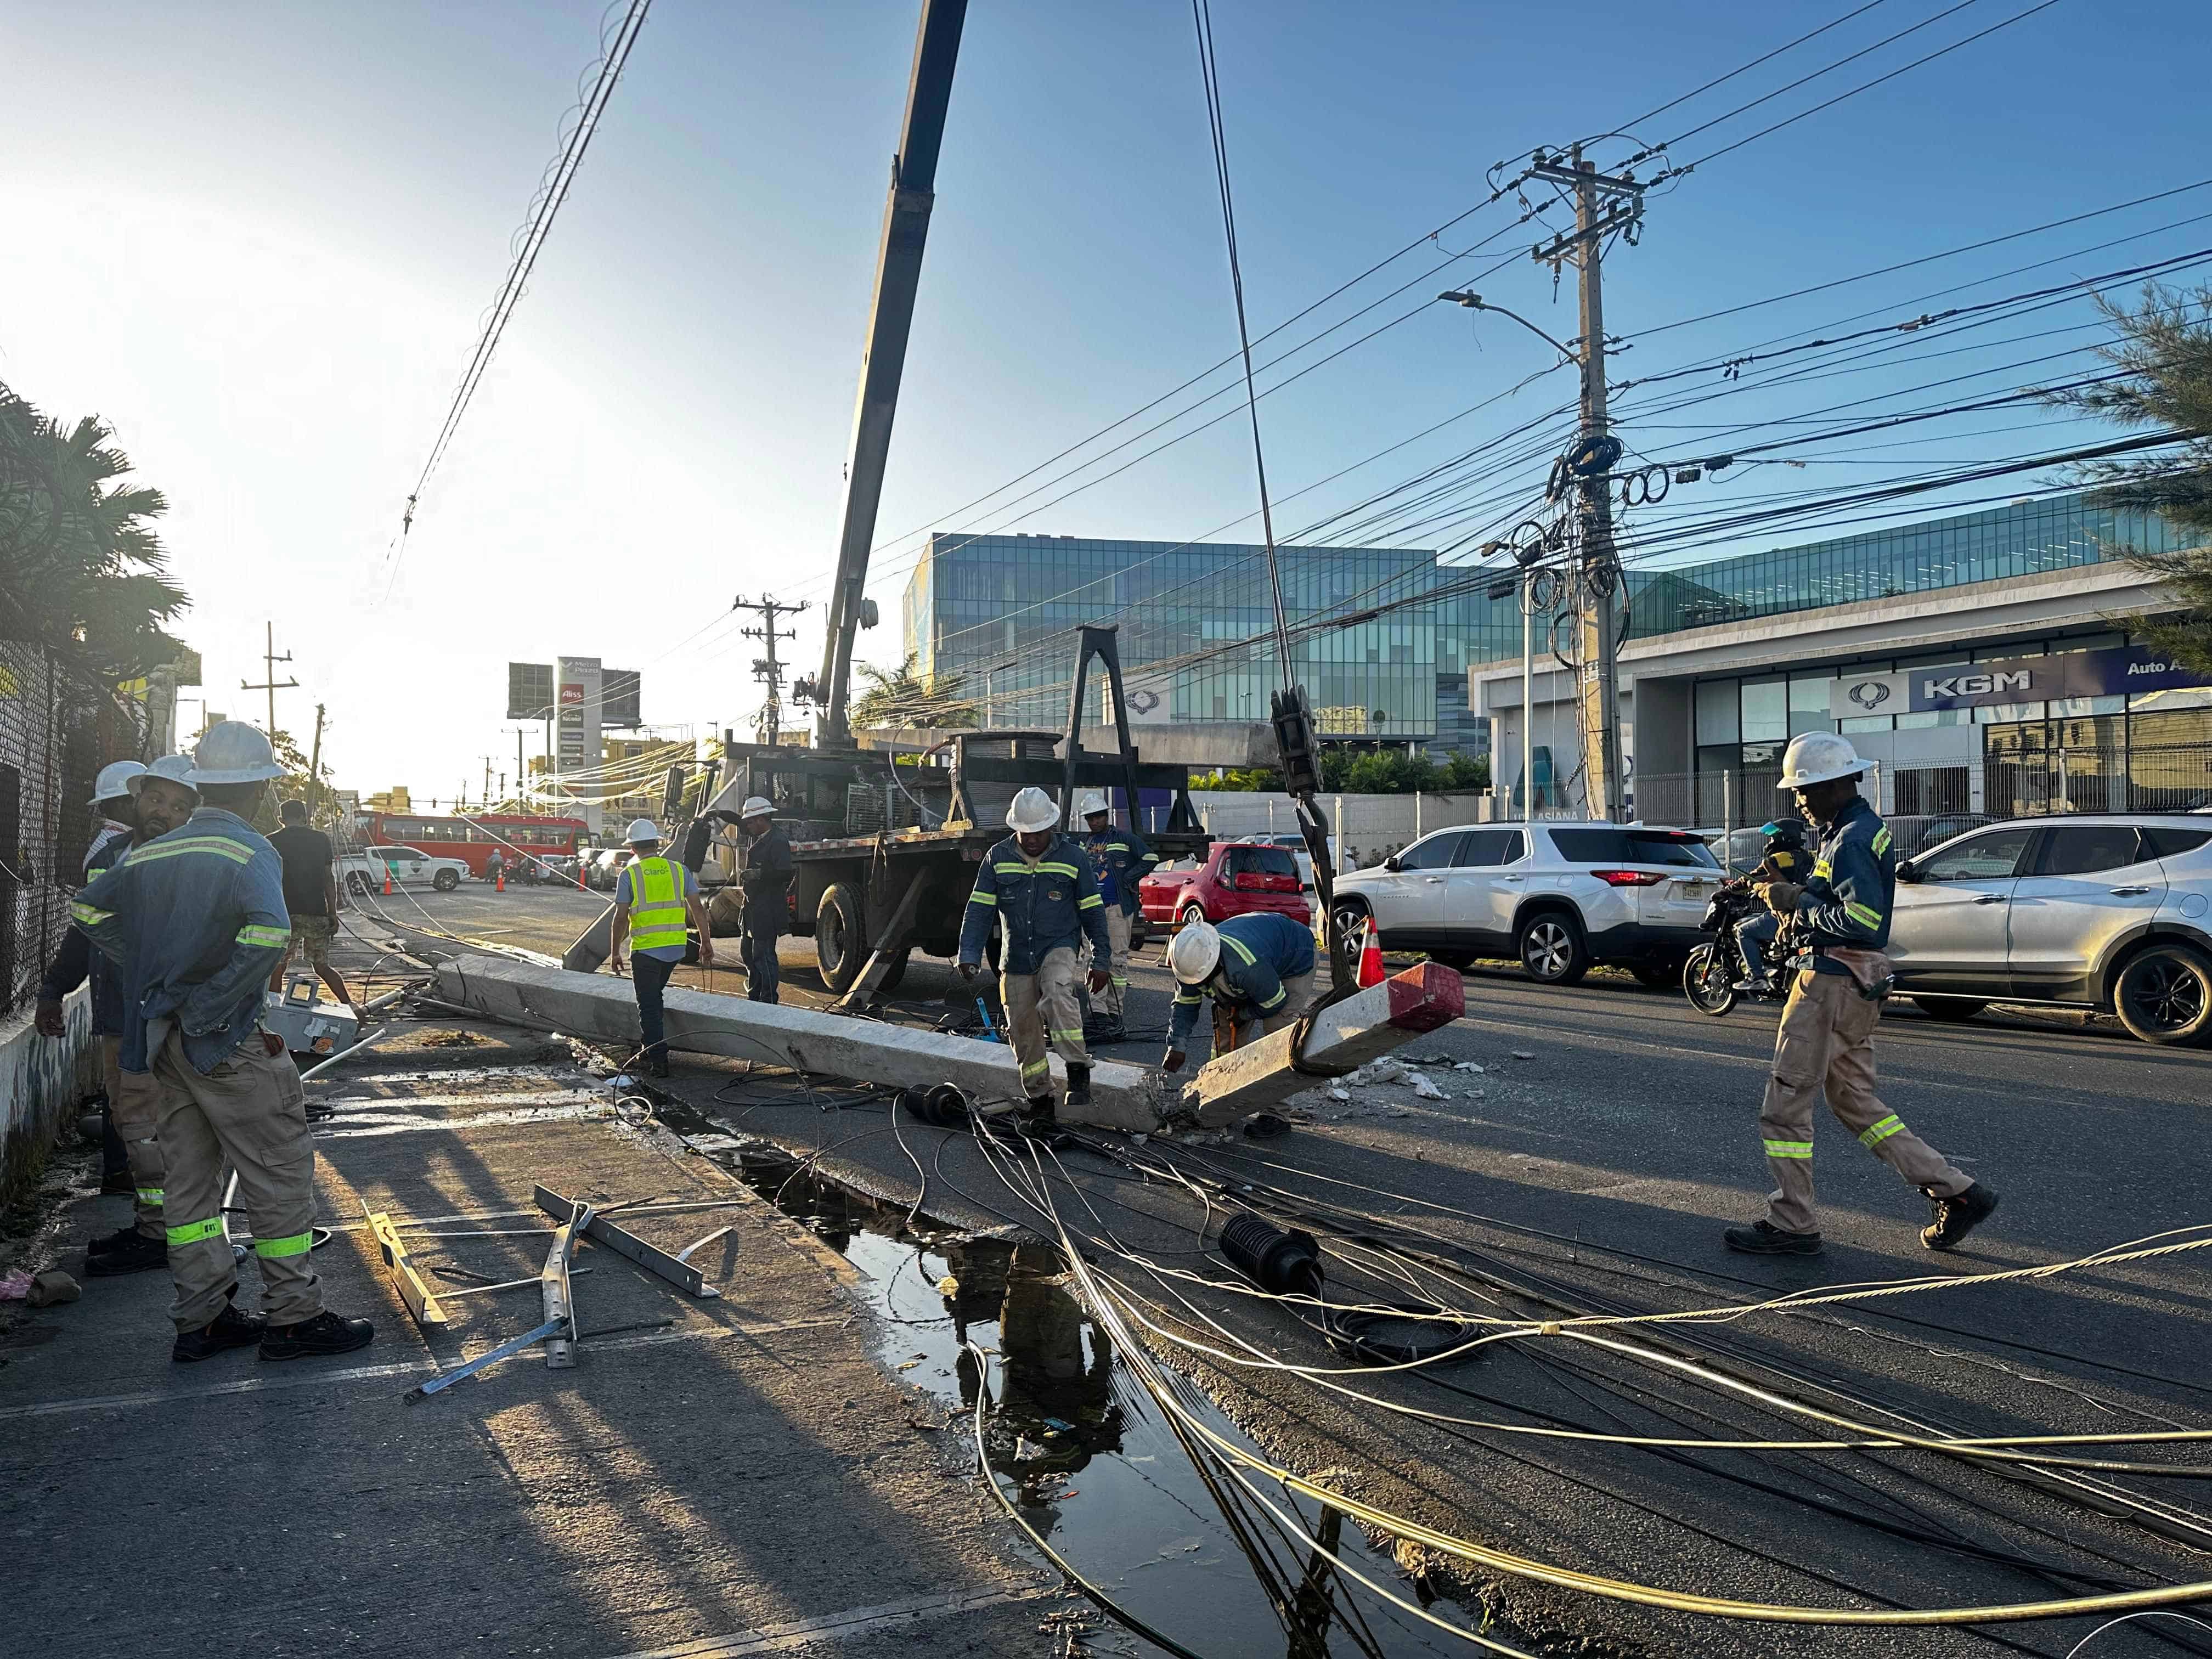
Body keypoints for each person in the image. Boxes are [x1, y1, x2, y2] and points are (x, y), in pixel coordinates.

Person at [73, 723, 375, 1362]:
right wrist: (211, 1006)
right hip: (225, 1041)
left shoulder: (150, 853)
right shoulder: (249, 850)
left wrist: (152, 978)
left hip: (164, 1043)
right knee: (278, 1170)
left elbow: (89, 912)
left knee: (188, 1185)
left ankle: (202, 1317)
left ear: (202, 784)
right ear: (261, 788)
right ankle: (293, 1317)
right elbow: (269, 935)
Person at [1724, 732, 1999, 1257]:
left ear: (1834, 785)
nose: (1797, 799)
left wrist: (1796, 901)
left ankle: (1793, 1224)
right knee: (1854, 1100)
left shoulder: (1850, 838)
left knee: (1785, 1106)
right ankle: (1958, 1193)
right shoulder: (1853, 831)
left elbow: (1861, 919)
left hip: (1828, 981)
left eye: (1804, 789)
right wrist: (1796, 888)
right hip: (1855, 984)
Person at [37, 759, 155, 1269]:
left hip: (163, 1013)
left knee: (159, 1123)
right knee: (131, 1114)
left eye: (115, 808)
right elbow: (87, 928)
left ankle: (165, 1231)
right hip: (120, 1010)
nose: (110, 819)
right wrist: (53, 988)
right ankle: (152, 1224)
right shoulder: (110, 854)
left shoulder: (180, 855)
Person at [957, 786, 1112, 1126]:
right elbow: (979, 910)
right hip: (1015, 957)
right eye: (1025, 833)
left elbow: (1093, 912)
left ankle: (1077, 1068)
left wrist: (1102, 961)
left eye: (1038, 833)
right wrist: (968, 952)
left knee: (1057, 990)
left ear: (1051, 826)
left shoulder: (1073, 858)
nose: (1031, 840)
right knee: (1022, 1029)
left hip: (1058, 945)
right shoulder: (997, 859)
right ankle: (1040, 1098)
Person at [608, 817, 715, 1076]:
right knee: (654, 999)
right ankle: (649, 1046)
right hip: (675, 949)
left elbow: (620, 917)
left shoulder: (630, 874)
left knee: (649, 1004)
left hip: (646, 950)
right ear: (657, 843)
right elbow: (697, 908)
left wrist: (615, 951)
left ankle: (658, 1059)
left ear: (632, 848)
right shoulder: (680, 870)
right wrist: (705, 941)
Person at [1160, 912, 1316, 1075]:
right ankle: (1221, 1080)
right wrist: (1176, 1046)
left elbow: (1275, 1002)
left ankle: (1275, 1093)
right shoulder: (1189, 964)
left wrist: (1244, 1015)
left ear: (1211, 966)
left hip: (1295, 953)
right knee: (1226, 1025)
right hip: (1260, 950)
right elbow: (1184, 1007)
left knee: (1277, 1029)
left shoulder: (1247, 967)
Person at [1073, 789, 1155, 1043]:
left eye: (1098, 816)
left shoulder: (1124, 839)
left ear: (1106, 815)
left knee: (1117, 960)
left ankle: (1114, 1012)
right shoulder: (1083, 844)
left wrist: (1129, 878)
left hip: (1117, 907)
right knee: (1092, 959)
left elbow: (1150, 857)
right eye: (1090, 818)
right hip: (1091, 909)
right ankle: (1098, 1013)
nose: (1094, 821)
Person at [267, 798, 358, 1019]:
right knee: (322, 966)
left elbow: (266, 881)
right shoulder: (321, 839)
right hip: (316, 913)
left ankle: (271, 1015)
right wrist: (332, 913)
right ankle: (351, 1007)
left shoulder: (270, 841)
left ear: (281, 819)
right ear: (305, 818)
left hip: (284, 915)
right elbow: (328, 878)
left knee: (278, 967)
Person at [1733, 818, 1808, 992]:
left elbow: (1749, 878)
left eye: (1773, 838)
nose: (1770, 842)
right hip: (1805, 911)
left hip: (1784, 913)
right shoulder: (1807, 856)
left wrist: (1728, 890)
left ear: (1784, 838)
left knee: (1744, 931)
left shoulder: (1778, 859)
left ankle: (1756, 976)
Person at [733, 797, 792, 1005]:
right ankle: (754, 996)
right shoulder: (759, 836)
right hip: (752, 908)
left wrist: (759, 874)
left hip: (767, 908)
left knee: (764, 957)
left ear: (761, 819)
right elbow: (736, 822)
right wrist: (717, 815)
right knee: (748, 954)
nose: (747, 826)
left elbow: (786, 873)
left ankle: (768, 1001)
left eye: (750, 821)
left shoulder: (777, 841)